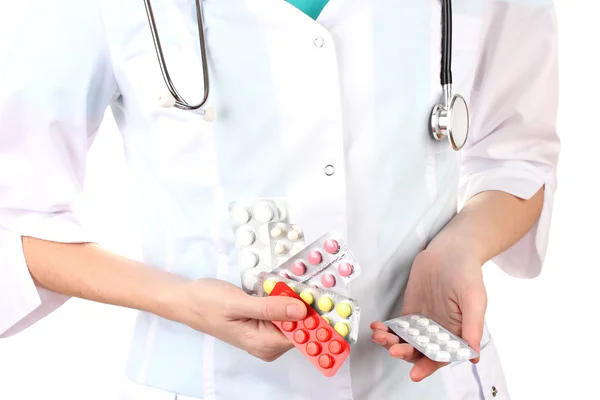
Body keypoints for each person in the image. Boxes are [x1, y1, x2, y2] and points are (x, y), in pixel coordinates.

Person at [0, 0, 559, 399]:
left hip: (427, 383)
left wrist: (458, 250)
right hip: (208, 384)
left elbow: (518, 155)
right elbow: (17, 217)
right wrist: (181, 300)